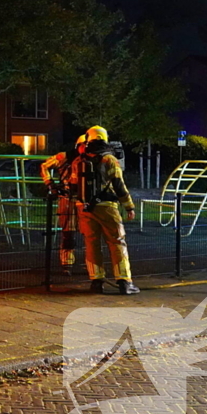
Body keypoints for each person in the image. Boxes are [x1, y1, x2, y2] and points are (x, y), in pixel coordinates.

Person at [73, 125, 139, 295]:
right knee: (117, 242)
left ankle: (96, 281)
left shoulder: (79, 160)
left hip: (84, 208)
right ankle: (124, 281)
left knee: (91, 244)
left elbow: (73, 185)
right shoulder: (109, 159)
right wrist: (129, 206)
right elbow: (119, 184)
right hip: (107, 207)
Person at [40, 134, 86, 273]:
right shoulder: (64, 157)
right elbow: (44, 166)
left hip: (85, 199)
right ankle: (67, 262)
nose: (86, 149)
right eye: (84, 146)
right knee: (68, 232)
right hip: (67, 199)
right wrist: (50, 184)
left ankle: (91, 263)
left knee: (91, 233)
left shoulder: (94, 160)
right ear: (78, 146)